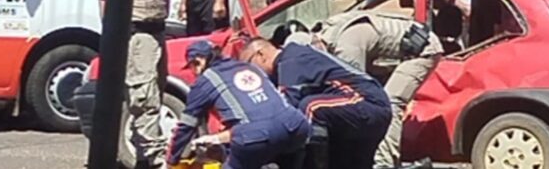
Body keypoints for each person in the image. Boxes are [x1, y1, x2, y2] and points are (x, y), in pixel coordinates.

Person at [96, 0, 239, 169]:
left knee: (156, 93)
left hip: (157, 30)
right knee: (144, 97)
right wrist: (113, 37)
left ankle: (145, 157)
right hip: (136, 34)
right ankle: (155, 160)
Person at [284, 11, 443, 169]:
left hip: (423, 51)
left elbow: (358, 94)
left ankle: (384, 164)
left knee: (390, 102)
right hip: (396, 52)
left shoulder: (346, 48)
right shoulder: (329, 36)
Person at [239, 38, 392, 169]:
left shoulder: (291, 60)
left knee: (310, 108)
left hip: (367, 102)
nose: (251, 73)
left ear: (260, 55)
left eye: (249, 65)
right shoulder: (289, 63)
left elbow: (285, 108)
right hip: (355, 113)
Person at [166, 40, 310, 169]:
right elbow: (263, 114)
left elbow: (186, 125)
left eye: (192, 66)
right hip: (297, 126)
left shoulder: (206, 80)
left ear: (198, 62)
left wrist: (171, 160)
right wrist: (217, 140)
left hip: (255, 137)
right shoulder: (249, 67)